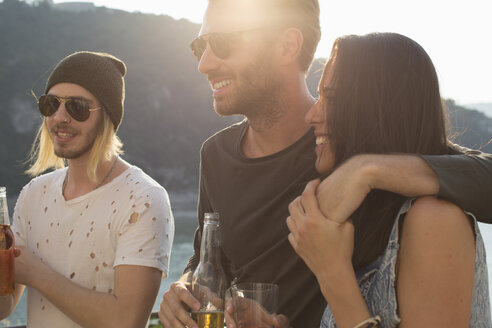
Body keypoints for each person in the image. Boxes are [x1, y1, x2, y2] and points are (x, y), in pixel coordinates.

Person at [158, 1, 492, 327]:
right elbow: (208, 256)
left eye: (222, 42)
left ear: (288, 45)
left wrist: (364, 169)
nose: (204, 64)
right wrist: (187, 288)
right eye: (199, 46)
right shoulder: (215, 154)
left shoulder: (347, 147)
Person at [287, 32, 490, 327]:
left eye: (330, 98)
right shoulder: (375, 218)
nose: (312, 115)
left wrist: (332, 273)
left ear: (376, 109)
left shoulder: (434, 220)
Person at [0, 51, 175, 327]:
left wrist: (37, 275)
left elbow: (126, 320)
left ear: (108, 117)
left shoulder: (143, 199)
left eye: (77, 107)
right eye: (51, 104)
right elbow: (5, 304)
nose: (59, 117)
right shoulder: (34, 194)